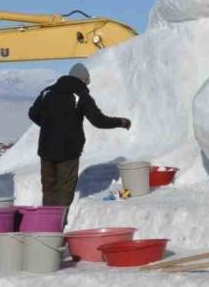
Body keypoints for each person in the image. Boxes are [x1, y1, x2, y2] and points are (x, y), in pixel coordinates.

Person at [28, 63, 131, 210]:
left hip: (46, 148)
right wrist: (121, 122)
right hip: (68, 150)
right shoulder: (80, 95)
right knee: (64, 188)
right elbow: (98, 120)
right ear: (83, 79)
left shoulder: (47, 92)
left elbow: (33, 113)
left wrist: (49, 126)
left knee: (49, 188)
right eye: (87, 82)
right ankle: (60, 221)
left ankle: (48, 221)